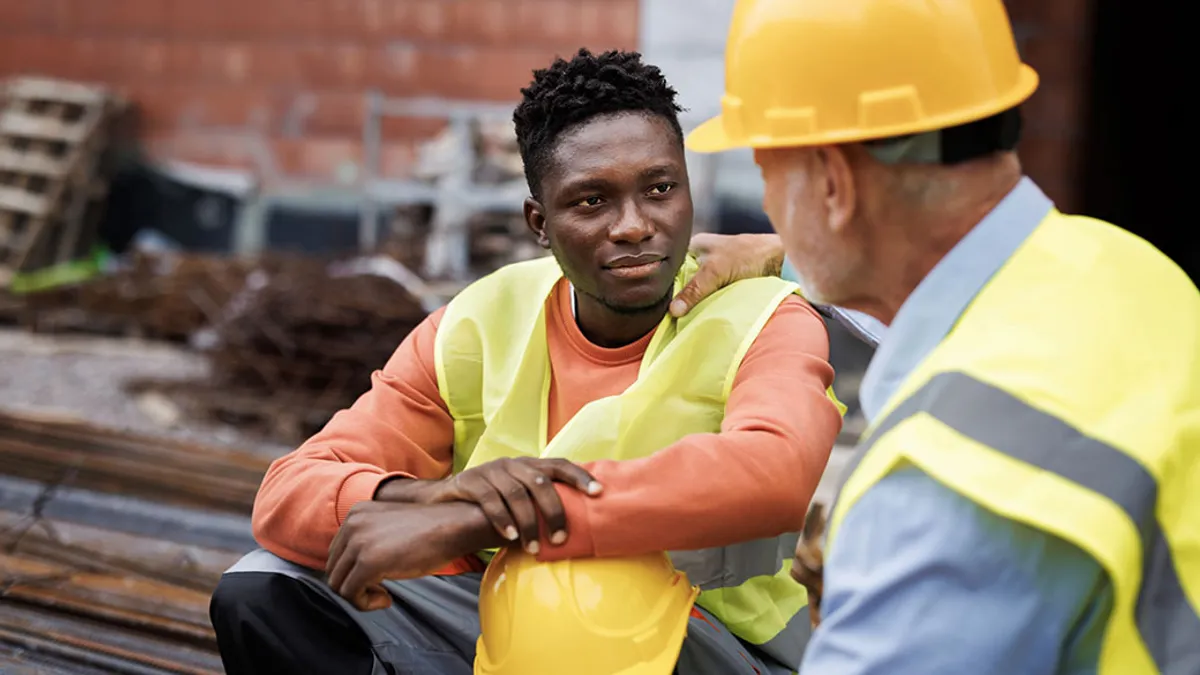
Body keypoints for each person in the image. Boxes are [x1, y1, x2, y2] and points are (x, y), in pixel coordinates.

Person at [208, 48, 845, 675]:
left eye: (659, 189)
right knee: (268, 587)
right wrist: (429, 498)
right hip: (515, 628)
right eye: (591, 201)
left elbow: (773, 473)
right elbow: (290, 490)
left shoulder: (761, 317)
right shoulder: (482, 319)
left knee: (566, 591)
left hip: (718, 647)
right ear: (539, 223)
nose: (633, 225)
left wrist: (487, 519)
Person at [673, 0, 1200, 673]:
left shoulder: (938, 486)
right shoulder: (1131, 266)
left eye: (768, 172)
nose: (770, 203)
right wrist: (790, 252)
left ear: (833, 182)